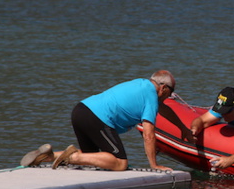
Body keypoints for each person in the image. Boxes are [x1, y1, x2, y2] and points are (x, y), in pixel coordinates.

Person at [20, 70, 176, 171]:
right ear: (163, 88)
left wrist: (183, 129)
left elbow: (164, 109)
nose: (169, 97)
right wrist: (154, 165)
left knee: (93, 157)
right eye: (170, 93)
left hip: (80, 110)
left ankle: (48, 156)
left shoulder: (141, 84)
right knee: (120, 163)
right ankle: (72, 157)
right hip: (97, 118)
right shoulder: (151, 96)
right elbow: (149, 135)